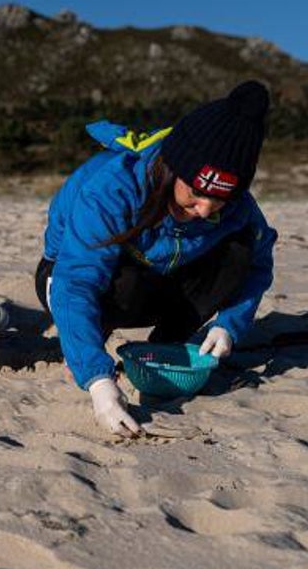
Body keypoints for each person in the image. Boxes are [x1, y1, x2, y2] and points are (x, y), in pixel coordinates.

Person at [37, 81, 277, 437]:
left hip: (160, 276)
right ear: (173, 168)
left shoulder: (237, 208)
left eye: (220, 198)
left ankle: (166, 344)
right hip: (69, 277)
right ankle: (87, 342)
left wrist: (229, 323)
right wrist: (99, 382)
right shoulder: (114, 187)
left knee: (238, 252)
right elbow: (76, 282)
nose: (206, 208)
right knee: (115, 290)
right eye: (196, 193)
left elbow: (257, 264)